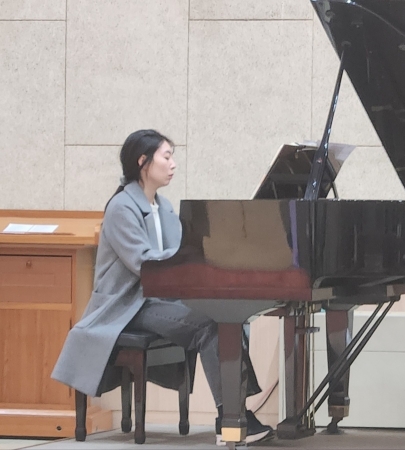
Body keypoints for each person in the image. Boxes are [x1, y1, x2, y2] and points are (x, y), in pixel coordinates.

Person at [51, 129, 274, 445]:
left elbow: (179, 254)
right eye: (166, 157)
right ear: (143, 161)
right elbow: (143, 263)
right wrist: (190, 260)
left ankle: (235, 413)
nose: (172, 164)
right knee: (211, 324)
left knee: (228, 317)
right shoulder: (121, 207)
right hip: (127, 305)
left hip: (157, 300)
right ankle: (230, 418)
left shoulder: (164, 207)